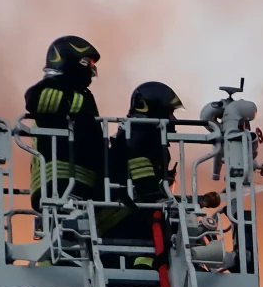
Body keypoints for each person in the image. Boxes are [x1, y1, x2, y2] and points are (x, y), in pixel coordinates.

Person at [103, 82, 184, 268]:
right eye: (168, 113)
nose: (172, 120)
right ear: (154, 111)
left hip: (126, 212)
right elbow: (145, 188)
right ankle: (145, 266)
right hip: (125, 217)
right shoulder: (141, 139)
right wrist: (161, 199)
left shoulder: (134, 134)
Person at [22, 36, 105, 210]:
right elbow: (33, 99)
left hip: (77, 186)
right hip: (59, 185)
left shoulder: (81, 94)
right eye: (86, 63)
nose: (90, 69)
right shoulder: (48, 88)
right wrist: (80, 106)